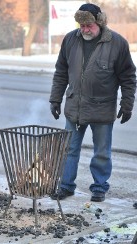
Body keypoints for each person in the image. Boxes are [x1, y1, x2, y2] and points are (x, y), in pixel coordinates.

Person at [49, 3, 136, 202]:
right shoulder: (71, 39)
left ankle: (99, 187)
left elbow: (128, 77)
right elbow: (61, 72)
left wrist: (127, 104)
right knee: (69, 149)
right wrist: (55, 99)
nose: (85, 30)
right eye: (81, 26)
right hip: (74, 107)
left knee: (102, 153)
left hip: (102, 108)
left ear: (99, 22)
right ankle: (66, 186)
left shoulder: (117, 43)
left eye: (89, 25)